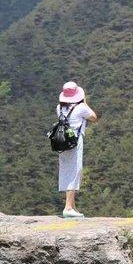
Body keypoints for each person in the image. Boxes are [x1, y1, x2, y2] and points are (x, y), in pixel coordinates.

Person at [55, 81, 97, 218]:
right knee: (75, 171)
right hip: (75, 141)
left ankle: (72, 206)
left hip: (62, 142)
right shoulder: (80, 108)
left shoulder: (59, 108)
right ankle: (68, 207)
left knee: (66, 170)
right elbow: (94, 117)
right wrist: (84, 102)